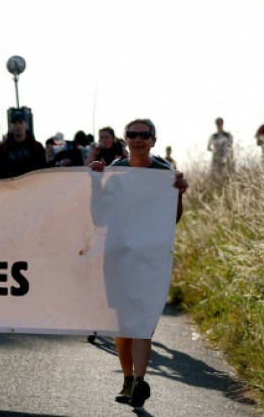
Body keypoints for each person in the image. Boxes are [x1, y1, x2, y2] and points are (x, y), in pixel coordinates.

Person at [88, 118, 188, 410]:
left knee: (143, 320)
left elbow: (173, 219)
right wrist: (96, 182)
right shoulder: (116, 171)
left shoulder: (164, 173)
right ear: (126, 139)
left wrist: (179, 193)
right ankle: (129, 379)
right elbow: (100, 218)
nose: (138, 139)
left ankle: (140, 380)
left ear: (154, 140)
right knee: (124, 322)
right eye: (132, 134)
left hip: (151, 258)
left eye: (145, 135)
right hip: (118, 255)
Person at [0, 110, 47, 179]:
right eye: (14, 123)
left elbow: (43, 171)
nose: (17, 126)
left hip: (31, 186)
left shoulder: (37, 147)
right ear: (11, 126)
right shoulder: (3, 148)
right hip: (10, 187)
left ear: (26, 125)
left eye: (20, 122)